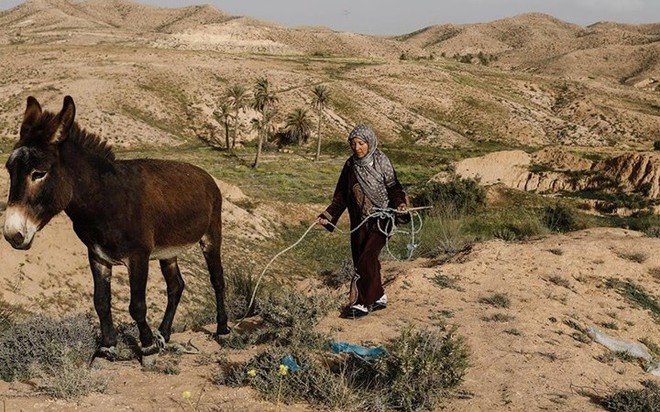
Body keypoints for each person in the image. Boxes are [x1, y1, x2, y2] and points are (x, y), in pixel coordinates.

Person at [317, 124, 408, 318]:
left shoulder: (382, 161)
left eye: (361, 143)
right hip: (359, 220)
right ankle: (378, 296)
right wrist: (328, 215)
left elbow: (394, 188)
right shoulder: (350, 166)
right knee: (365, 258)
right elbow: (341, 196)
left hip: (383, 219)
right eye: (353, 144)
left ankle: (360, 302)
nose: (357, 148)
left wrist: (399, 204)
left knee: (366, 258)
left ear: (370, 142)